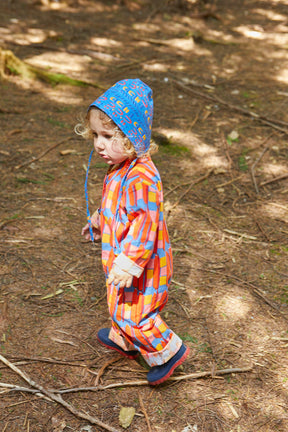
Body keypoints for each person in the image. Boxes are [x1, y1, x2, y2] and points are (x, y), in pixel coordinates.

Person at [76, 78, 189, 385]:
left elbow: (145, 223)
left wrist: (130, 262)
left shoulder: (142, 177)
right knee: (118, 300)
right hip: (122, 256)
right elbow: (115, 204)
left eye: (108, 135)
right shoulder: (118, 168)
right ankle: (123, 340)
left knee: (137, 312)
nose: (99, 143)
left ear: (131, 137)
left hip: (143, 264)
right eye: (96, 135)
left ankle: (168, 350)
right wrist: (99, 219)